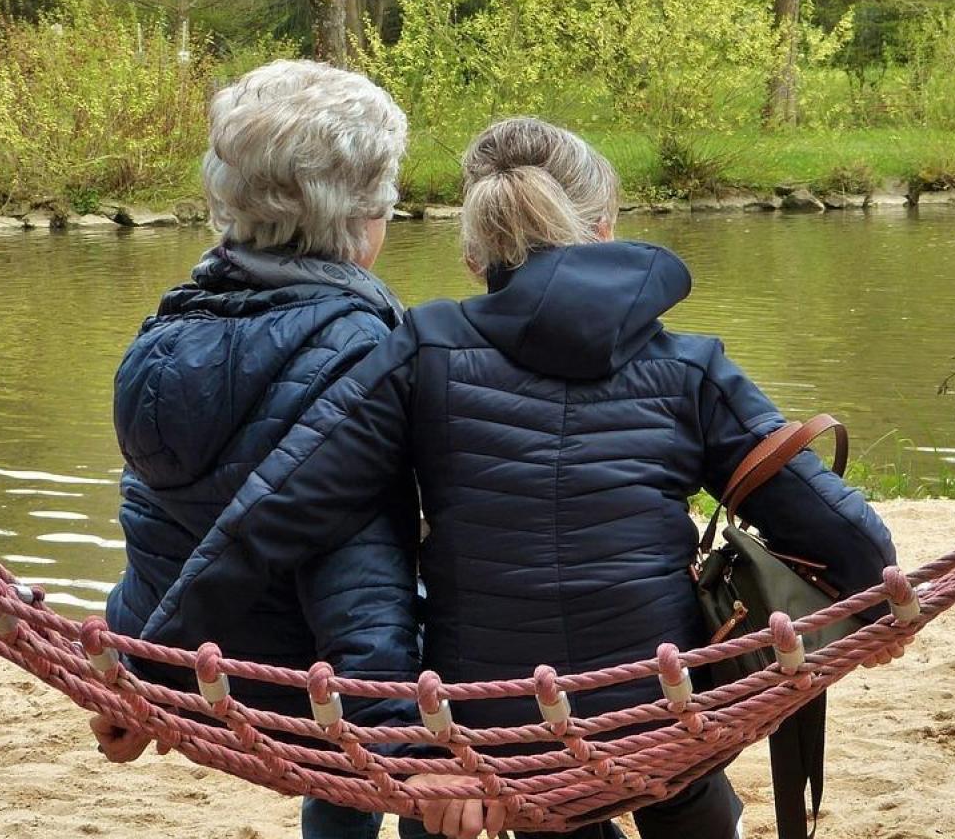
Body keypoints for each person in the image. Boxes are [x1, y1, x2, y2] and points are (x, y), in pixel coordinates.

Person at [142, 117, 897, 839]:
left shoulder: (420, 348)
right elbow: (839, 532)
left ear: (477, 257)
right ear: (606, 230)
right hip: (659, 714)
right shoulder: (691, 366)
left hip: (491, 730)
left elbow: (275, 514)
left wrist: (151, 669)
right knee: (674, 769)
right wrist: (878, 600)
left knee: (509, 794)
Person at [94, 59, 430, 839]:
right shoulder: (362, 351)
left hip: (194, 669)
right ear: (363, 215)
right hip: (308, 690)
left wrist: (134, 670)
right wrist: (409, 749)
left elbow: (161, 522)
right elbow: (361, 587)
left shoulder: (167, 331)